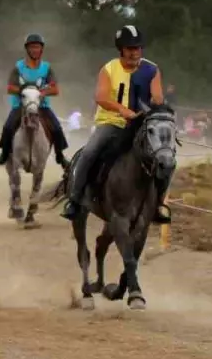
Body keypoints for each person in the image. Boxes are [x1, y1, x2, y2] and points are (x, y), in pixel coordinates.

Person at [60, 25, 170, 223]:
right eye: (129, 48)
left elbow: (157, 96)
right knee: (89, 152)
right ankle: (74, 200)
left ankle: (158, 204)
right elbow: (101, 97)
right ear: (121, 49)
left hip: (142, 124)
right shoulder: (109, 69)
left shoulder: (151, 69)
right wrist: (122, 110)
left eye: (137, 48)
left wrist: (155, 103)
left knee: (167, 158)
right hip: (111, 123)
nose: (134, 52)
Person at [0, 33, 70, 169]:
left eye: (38, 47)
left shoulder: (47, 68)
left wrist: (41, 93)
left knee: (57, 128)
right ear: (27, 49)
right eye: (32, 47)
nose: (35, 50)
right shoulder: (18, 67)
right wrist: (24, 91)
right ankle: (4, 154)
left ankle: (60, 156)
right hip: (21, 105)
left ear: (42, 49)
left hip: (42, 106)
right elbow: (10, 88)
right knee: (9, 127)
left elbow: (55, 89)